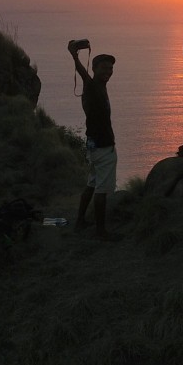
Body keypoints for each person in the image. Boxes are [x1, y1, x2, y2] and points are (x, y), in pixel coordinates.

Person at [69, 44, 120, 241]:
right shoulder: (92, 86)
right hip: (102, 145)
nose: (108, 71)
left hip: (93, 144)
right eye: (104, 68)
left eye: (110, 68)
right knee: (102, 189)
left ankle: (80, 221)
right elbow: (84, 76)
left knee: (92, 182)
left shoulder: (99, 87)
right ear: (94, 69)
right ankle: (100, 231)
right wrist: (75, 57)